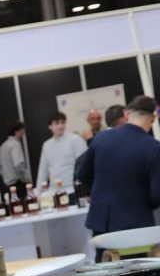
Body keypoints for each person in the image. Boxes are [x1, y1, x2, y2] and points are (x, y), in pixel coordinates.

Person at [76, 95, 160, 248]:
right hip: (137, 222)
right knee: (137, 261)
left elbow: (82, 174)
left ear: (127, 115)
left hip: (103, 220)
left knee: (105, 260)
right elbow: (156, 194)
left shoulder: (101, 138)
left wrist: (102, 191)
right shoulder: (153, 148)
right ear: (152, 119)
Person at [38, 111, 87, 190]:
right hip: (54, 190)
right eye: (57, 123)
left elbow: (85, 164)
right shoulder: (46, 145)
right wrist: (38, 192)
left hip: (72, 188)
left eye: (63, 122)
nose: (60, 126)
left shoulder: (75, 140)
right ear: (50, 126)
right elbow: (43, 171)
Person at [0, 121, 30, 201]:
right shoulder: (15, 144)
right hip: (19, 184)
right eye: (22, 130)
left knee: (13, 206)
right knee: (23, 206)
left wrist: (7, 174)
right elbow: (18, 164)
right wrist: (26, 176)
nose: (24, 132)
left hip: (8, 186)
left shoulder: (3, 146)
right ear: (16, 131)